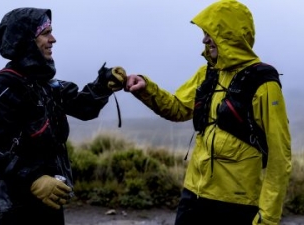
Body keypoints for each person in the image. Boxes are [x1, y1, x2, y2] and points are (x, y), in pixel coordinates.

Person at [124, 0, 291, 224]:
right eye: (204, 33)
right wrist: (146, 88)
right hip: (193, 195)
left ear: (229, 34)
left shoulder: (263, 83)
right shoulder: (207, 74)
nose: (204, 39)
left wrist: (268, 218)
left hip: (236, 203)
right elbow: (178, 108)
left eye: (210, 32)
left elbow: (280, 156)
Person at [0, 7, 125, 225]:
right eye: (45, 33)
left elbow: (83, 107)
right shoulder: (6, 88)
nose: (53, 39)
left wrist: (104, 84)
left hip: (51, 200)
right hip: (19, 208)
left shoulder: (45, 84)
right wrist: (34, 179)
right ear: (26, 39)